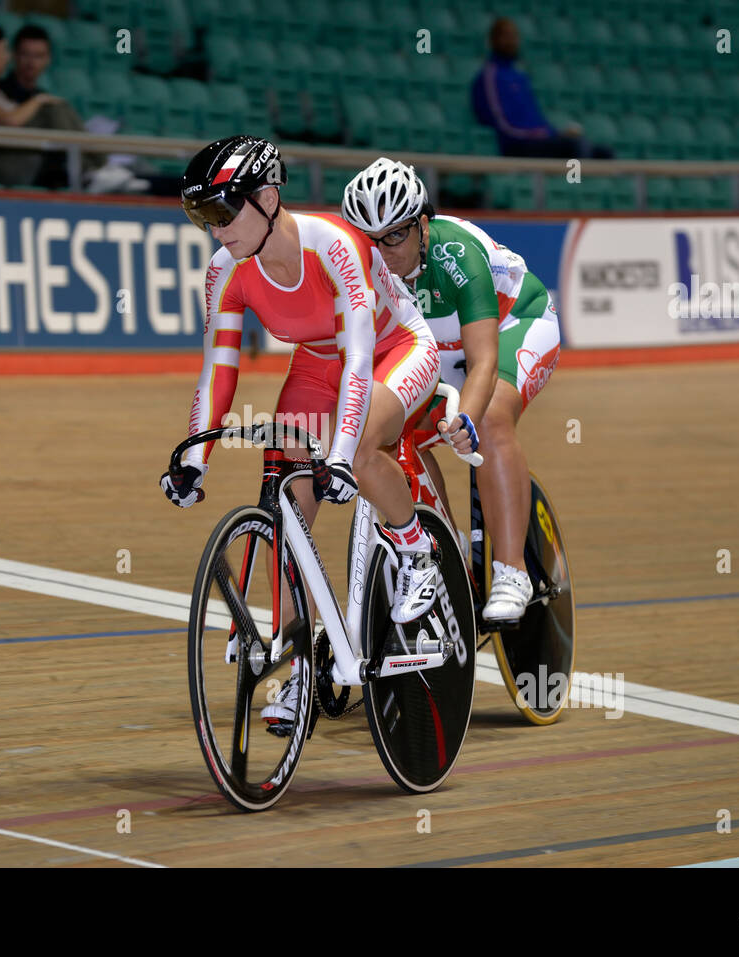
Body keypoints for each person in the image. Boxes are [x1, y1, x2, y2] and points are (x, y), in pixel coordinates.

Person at [162, 136, 444, 724]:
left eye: (222, 211)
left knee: (363, 451)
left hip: (395, 346)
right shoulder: (226, 271)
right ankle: (300, 669)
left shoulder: (333, 246)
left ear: (268, 198)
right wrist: (195, 461)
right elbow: (219, 370)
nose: (216, 230)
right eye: (201, 217)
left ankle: (419, 551)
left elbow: (361, 359)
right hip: (318, 363)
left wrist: (340, 454)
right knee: (291, 512)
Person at [341, 158, 561, 622]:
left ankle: (511, 571)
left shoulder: (455, 254)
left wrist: (465, 418)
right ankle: (448, 549)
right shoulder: (360, 271)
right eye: (370, 240)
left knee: (490, 418)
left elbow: (482, 361)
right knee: (389, 438)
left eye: (395, 235)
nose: (383, 252)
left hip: (514, 324)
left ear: (423, 225)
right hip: (439, 351)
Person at [0, 21, 93, 188]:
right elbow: (11, 121)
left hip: (4, 163)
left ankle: (96, 169)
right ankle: (93, 171)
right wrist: (39, 100)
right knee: (52, 109)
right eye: (2, 51)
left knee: (57, 108)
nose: (7, 57)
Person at [470, 17, 614, 160]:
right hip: (517, 144)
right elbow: (500, 122)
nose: (512, 41)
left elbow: (536, 118)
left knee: (604, 153)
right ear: (493, 40)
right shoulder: (489, 76)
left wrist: (556, 134)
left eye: (514, 36)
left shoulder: (520, 77)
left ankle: (581, 182)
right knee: (576, 147)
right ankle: (574, 183)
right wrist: (535, 134)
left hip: (538, 140)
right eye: (506, 36)